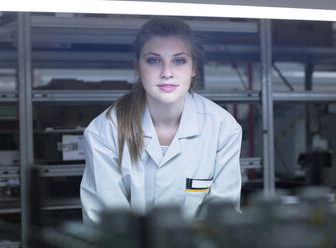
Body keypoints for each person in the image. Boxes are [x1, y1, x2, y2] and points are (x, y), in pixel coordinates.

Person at [80, 16, 242, 225]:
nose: (167, 73)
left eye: (179, 61)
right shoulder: (104, 132)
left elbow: (222, 221)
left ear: (193, 68)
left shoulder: (223, 129)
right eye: (154, 60)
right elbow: (108, 227)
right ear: (137, 67)